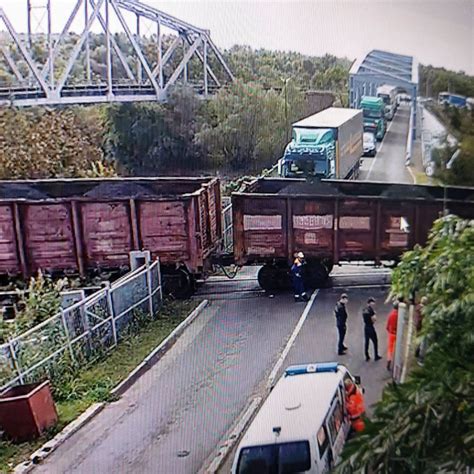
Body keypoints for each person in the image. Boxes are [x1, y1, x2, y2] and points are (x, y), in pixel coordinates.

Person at [362, 297, 381, 361]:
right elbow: (374, 319)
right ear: (370, 303)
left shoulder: (364, 309)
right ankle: (376, 356)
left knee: (367, 342)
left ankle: (367, 356)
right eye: (373, 302)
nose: (374, 304)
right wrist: (374, 315)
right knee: (375, 341)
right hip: (370, 327)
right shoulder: (371, 310)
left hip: (366, 327)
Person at [386, 301, 399, 371]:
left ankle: (389, 360)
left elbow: (388, 325)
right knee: (397, 347)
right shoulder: (399, 315)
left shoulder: (391, 315)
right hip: (397, 333)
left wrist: (389, 330)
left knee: (390, 349)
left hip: (391, 333)